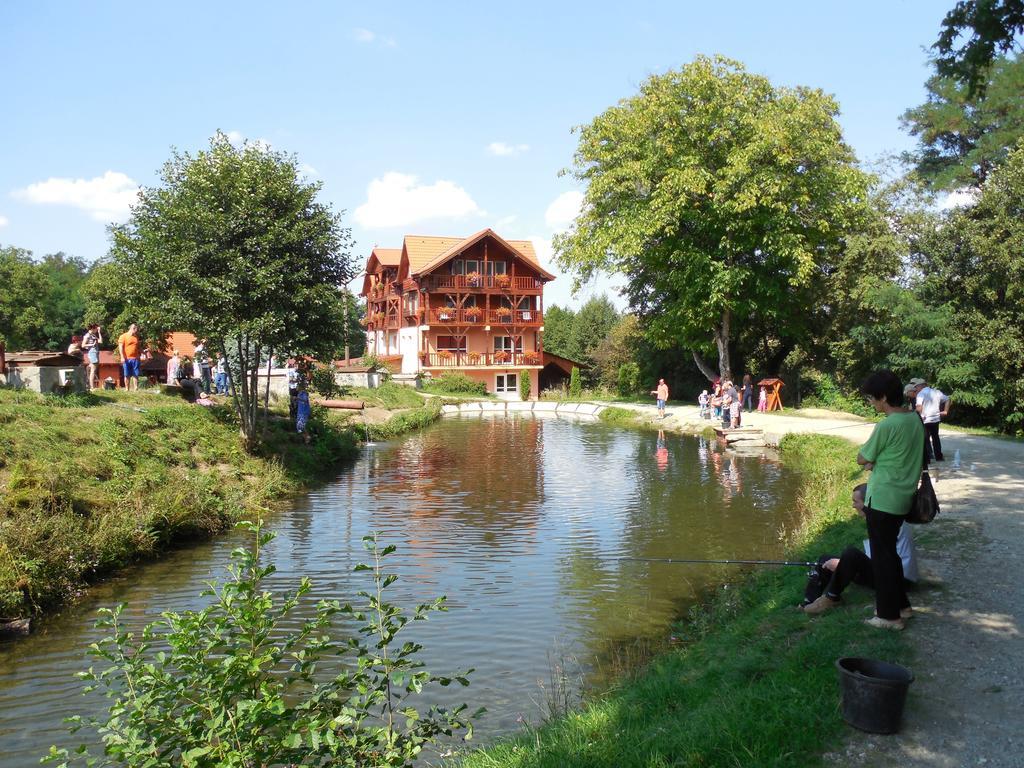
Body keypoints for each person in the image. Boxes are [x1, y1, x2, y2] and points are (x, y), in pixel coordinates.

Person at [856, 369, 925, 630]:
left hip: (882, 499)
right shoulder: (914, 420)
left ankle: (888, 616)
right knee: (891, 555)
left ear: (884, 397)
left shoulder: (886, 424)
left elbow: (862, 457)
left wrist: (872, 459)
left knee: (882, 560)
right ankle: (903, 606)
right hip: (903, 498)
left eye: (872, 398)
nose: (871, 403)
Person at [801, 484, 918, 613]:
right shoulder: (884, 516)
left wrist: (842, 565)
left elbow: (884, 561)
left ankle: (832, 598)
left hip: (899, 580)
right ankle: (808, 602)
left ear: (867, 503)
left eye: (856, 502)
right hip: (887, 571)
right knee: (825, 559)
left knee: (851, 554)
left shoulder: (883, 522)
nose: (853, 506)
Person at [913, 377, 950, 462]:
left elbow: (919, 407)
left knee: (925, 439)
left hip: (925, 419)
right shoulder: (937, 392)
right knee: (935, 438)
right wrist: (945, 411)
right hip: (935, 419)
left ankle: (928, 458)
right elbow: (948, 399)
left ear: (920, 386)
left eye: (916, 387)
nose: (916, 388)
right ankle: (939, 457)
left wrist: (916, 416)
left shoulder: (921, 394)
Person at [117, 323, 142, 391]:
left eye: (136, 329)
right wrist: (122, 357)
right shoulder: (123, 336)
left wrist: (141, 353)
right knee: (127, 374)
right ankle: (127, 388)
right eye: (135, 329)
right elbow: (120, 347)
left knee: (135, 374)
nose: (136, 330)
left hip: (135, 359)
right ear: (132, 328)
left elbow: (138, 348)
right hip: (126, 359)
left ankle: (136, 388)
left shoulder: (136, 337)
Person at [82, 324, 103, 390]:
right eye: (97, 329)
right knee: (93, 370)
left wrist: (99, 333)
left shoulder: (93, 335)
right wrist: (91, 344)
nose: (97, 330)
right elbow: (83, 345)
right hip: (92, 353)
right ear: (93, 329)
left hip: (96, 353)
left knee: (93, 368)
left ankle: (88, 367)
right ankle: (92, 387)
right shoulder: (87, 335)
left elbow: (100, 341)